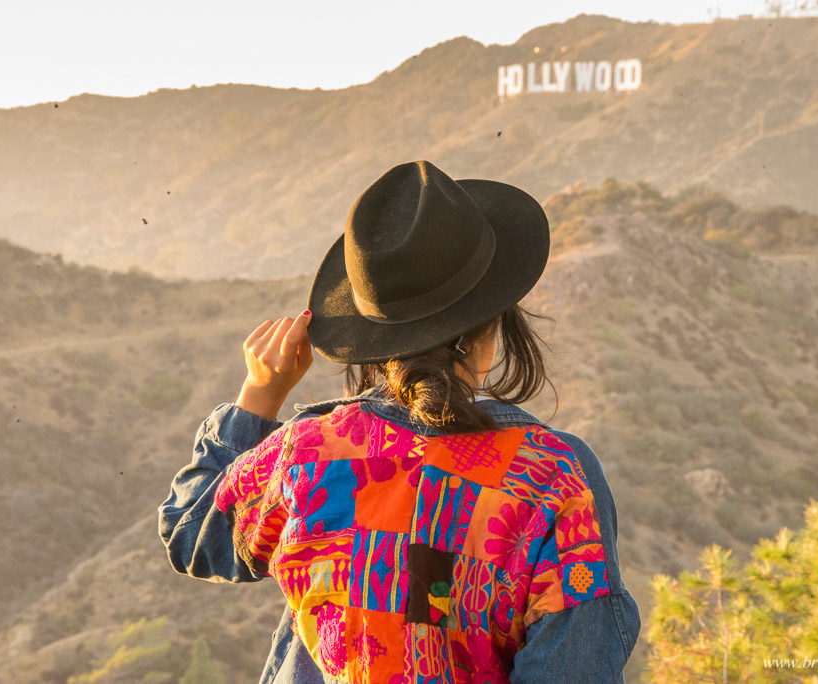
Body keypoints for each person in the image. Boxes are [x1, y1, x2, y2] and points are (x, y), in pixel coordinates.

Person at [159, 161, 640, 683]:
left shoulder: (304, 456)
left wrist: (258, 396)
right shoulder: (550, 478)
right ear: (496, 318)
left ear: (372, 333)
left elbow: (194, 537)